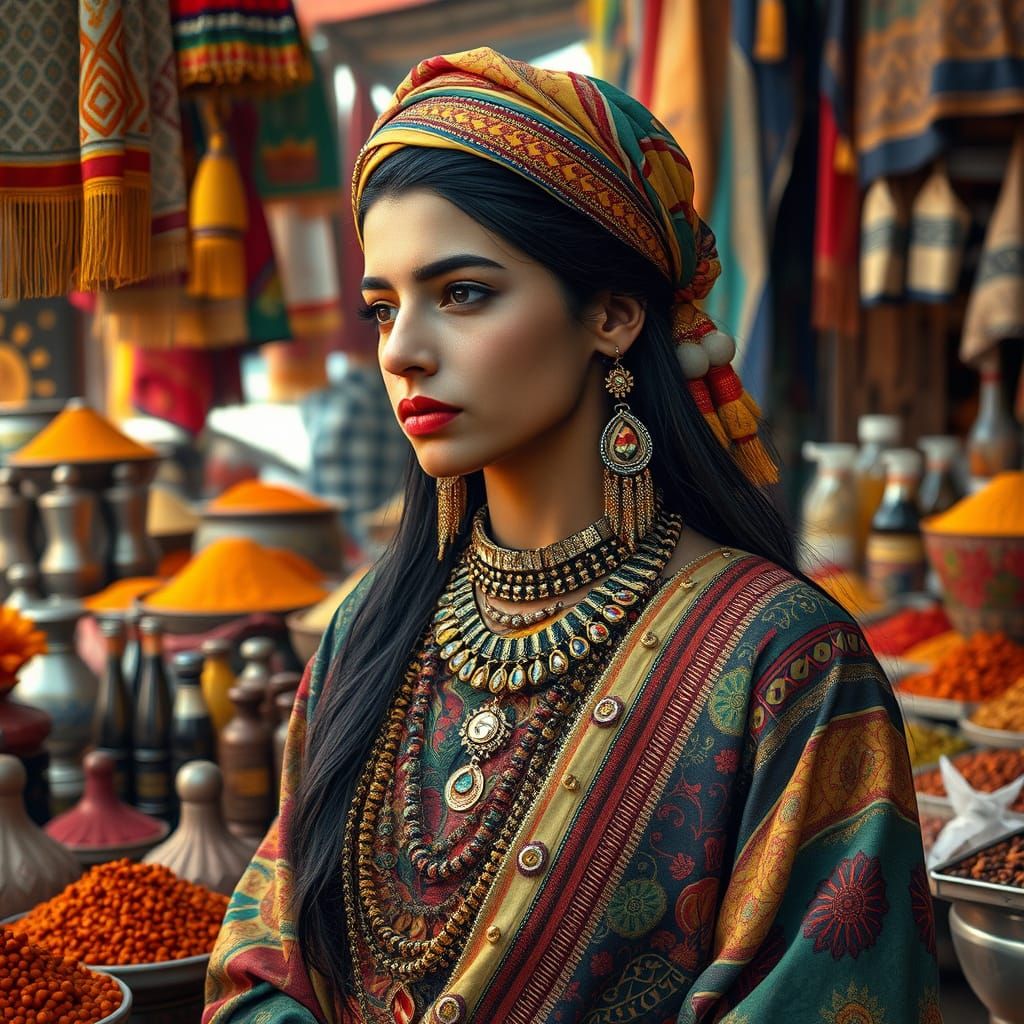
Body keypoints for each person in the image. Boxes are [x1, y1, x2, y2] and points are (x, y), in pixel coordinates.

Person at [204, 48, 940, 1024]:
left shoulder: (784, 663)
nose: (402, 350)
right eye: (383, 307)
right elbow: (264, 961)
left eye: (462, 293)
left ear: (613, 314)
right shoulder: (366, 635)